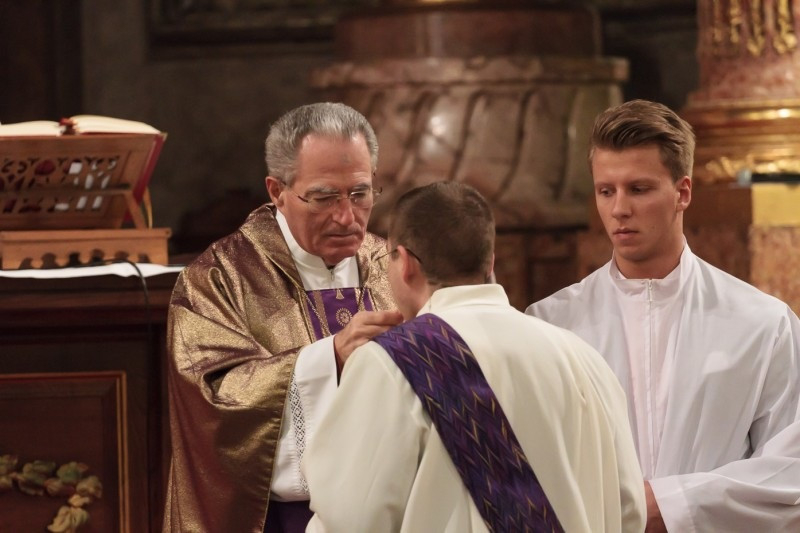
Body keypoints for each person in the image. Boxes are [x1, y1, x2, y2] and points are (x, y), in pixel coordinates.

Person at [303, 181, 646, 532]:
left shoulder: (393, 362)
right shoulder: (585, 360)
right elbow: (630, 511)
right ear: (490, 262)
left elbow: (350, 519)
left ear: (404, 263)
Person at [526, 99, 800, 532]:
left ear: (682, 193)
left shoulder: (762, 324)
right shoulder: (550, 324)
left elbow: (791, 471)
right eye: (606, 191)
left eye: (638, 189)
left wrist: (671, 505)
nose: (619, 209)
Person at [163, 102, 403, 533]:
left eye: (360, 193)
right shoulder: (218, 279)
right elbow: (211, 401)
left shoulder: (396, 265)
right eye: (325, 197)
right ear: (277, 191)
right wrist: (329, 358)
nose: (347, 216)